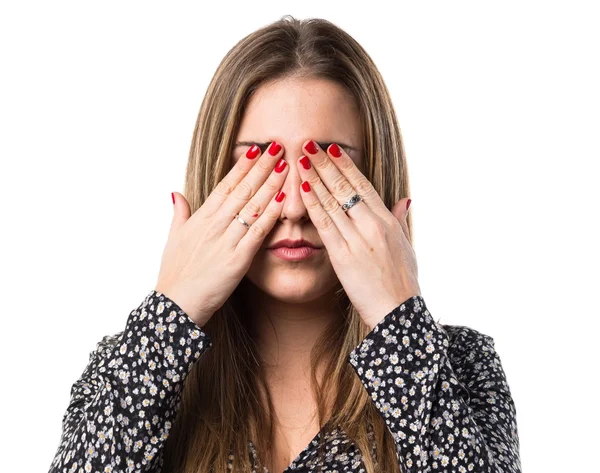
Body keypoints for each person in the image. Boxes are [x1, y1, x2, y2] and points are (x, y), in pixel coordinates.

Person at [47, 15, 521, 473]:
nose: (294, 207)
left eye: (328, 168)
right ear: (216, 182)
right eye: (259, 166)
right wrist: (170, 315)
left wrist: (399, 321)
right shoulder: (131, 366)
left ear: (374, 180)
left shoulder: (462, 365)